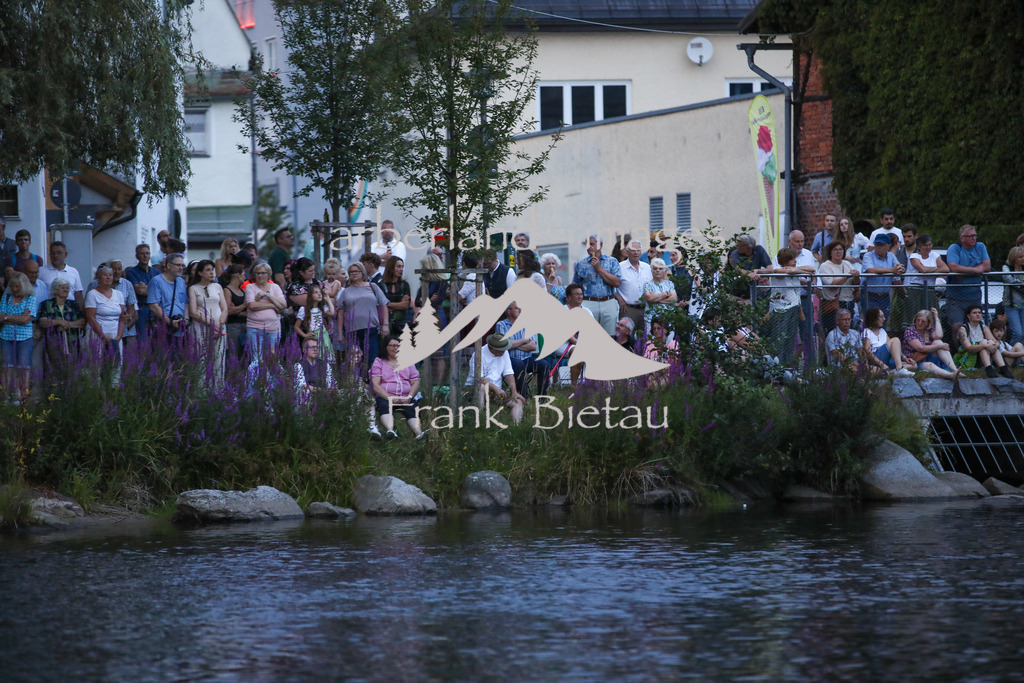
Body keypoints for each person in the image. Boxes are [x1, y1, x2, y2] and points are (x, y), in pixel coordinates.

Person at [772, 231, 817, 363]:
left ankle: (809, 367)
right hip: (784, 305)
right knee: (784, 336)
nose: (800, 244)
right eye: (797, 242)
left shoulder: (807, 254)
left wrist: (796, 269)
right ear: (790, 242)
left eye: (802, 241)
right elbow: (781, 271)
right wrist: (798, 271)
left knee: (806, 334)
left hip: (802, 300)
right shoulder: (779, 259)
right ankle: (780, 365)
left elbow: (811, 270)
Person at [369, 335, 424, 439]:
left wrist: (409, 396)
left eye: (398, 346)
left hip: (405, 396)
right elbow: (375, 385)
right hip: (386, 397)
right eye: (393, 345)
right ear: (386, 347)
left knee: (412, 408)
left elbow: (415, 382)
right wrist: (390, 398)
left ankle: (419, 433)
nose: (396, 348)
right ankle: (390, 431)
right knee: (384, 406)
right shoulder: (379, 362)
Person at [336, 261, 388, 368]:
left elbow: (384, 305)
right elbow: (340, 313)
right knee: (355, 362)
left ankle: (372, 383)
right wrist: (340, 333)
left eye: (356, 271)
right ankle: (357, 383)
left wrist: (385, 325)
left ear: (362, 272)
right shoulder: (346, 291)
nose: (354, 274)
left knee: (372, 360)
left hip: (372, 329)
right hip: (352, 331)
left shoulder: (373, 287)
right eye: (351, 272)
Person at [495, 301, 549, 398]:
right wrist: (524, 340)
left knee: (544, 364)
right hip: (509, 360)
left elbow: (533, 346)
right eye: (516, 308)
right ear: (509, 311)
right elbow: (503, 344)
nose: (520, 310)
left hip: (527, 359)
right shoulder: (501, 325)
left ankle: (542, 397)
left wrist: (511, 343)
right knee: (518, 364)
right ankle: (524, 397)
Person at [188, 260, 228, 383]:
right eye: (208, 270)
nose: (211, 272)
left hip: (219, 326)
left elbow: (225, 308)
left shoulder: (217, 286)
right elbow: (193, 312)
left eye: (212, 269)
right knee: (201, 360)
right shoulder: (193, 288)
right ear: (200, 273)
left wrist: (219, 325)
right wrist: (212, 323)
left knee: (219, 359)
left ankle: (218, 391)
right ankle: (201, 393)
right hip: (201, 327)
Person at [572, 234, 622, 334]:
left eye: (591, 244)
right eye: (586, 244)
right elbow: (576, 285)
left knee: (610, 337)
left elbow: (617, 283)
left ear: (600, 245)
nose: (588, 247)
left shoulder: (612, 261)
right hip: (589, 302)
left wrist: (599, 268)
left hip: (608, 302)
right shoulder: (581, 264)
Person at [945, 224, 990, 331]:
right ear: (962, 238)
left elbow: (987, 266)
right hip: (956, 297)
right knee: (957, 326)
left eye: (975, 235)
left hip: (974, 296)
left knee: (976, 325)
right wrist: (975, 270)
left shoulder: (980, 246)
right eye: (970, 236)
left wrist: (964, 272)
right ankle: (959, 348)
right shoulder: (955, 248)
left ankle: (975, 347)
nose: (973, 238)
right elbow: (953, 267)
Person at [84, 264, 126, 378]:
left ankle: (114, 390)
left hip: (114, 333)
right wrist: (103, 336)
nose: (108, 277)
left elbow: (123, 317)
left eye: (110, 275)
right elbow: (91, 317)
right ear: (98, 277)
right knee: (96, 364)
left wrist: (118, 337)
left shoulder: (118, 294)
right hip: (97, 333)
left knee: (116, 364)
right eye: (105, 275)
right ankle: (96, 391)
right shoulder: (92, 294)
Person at [473, 333, 525, 424]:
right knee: (481, 387)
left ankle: (515, 427)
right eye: (501, 350)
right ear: (493, 349)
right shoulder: (479, 354)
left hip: (497, 391)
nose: (504, 351)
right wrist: (496, 388)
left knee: (518, 401)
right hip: (477, 389)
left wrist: (514, 392)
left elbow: (508, 373)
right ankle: (479, 419)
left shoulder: (504, 353)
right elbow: (479, 378)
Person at [0, 271, 36, 401]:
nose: (15, 289)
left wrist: (7, 317)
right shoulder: (7, 296)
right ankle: (5, 398)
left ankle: (22, 399)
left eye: (18, 286)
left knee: (23, 369)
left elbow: (26, 320)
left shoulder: (30, 297)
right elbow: (0, 317)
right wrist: (17, 318)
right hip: (6, 337)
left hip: (24, 339)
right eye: (13, 286)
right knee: (6, 368)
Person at [765, 247, 802, 367]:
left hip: (794, 307)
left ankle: (786, 368)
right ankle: (776, 368)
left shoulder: (795, 270)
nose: (795, 261)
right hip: (781, 309)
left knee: (790, 340)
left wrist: (795, 269)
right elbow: (784, 273)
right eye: (792, 260)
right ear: (785, 261)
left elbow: (811, 269)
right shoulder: (777, 271)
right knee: (779, 339)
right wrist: (792, 270)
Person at [37, 277, 85, 369]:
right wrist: (59, 322)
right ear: (55, 289)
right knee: (54, 368)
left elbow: (82, 322)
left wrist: (68, 324)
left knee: (72, 367)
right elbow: (42, 321)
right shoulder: (46, 304)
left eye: (67, 287)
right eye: (62, 287)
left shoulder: (73, 304)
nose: (65, 289)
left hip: (72, 341)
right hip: (53, 342)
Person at [903, 308, 961, 380]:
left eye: (923, 321)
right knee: (938, 348)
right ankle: (951, 375)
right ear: (915, 320)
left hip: (928, 357)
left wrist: (936, 317)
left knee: (938, 341)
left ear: (928, 323)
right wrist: (940, 346)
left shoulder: (929, 330)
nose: (920, 323)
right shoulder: (910, 330)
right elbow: (920, 348)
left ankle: (954, 369)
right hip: (916, 361)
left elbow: (939, 336)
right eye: (918, 320)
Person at [954, 304, 1010, 378]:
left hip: (985, 356)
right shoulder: (963, 329)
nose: (978, 314)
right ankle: (989, 369)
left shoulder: (984, 327)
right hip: (970, 358)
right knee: (984, 343)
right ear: (968, 316)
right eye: (974, 313)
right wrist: (984, 345)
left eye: (979, 313)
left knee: (990, 343)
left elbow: (996, 343)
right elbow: (968, 348)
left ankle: (1003, 368)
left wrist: (992, 346)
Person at [244, 262, 286, 359]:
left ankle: (271, 375)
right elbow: (252, 305)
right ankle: (257, 375)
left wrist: (268, 295)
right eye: (257, 273)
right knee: (256, 358)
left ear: (268, 274)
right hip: (255, 328)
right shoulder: (250, 287)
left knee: (272, 358)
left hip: (273, 329)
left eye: (263, 273)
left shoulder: (275, 287)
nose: (260, 275)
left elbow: (283, 305)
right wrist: (272, 305)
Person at [816, 242, 860, 334]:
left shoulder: (847, 264)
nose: (838, 252)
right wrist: (846, 276)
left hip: (848, 302)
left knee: (848, 331)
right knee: (833, 332)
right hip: (832, 304)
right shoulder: (825, 266)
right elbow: (832, 285)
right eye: (835, 250)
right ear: (830, 252)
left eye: (840, 249)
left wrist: (856, 277)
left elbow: (855, 284)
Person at [861, 306, 915, 376]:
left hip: (885, 360)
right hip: (876, 361)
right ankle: (899, 369)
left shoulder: (882, 331)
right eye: (881, 317)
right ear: (873, 318)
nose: (884, 319)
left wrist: (905, 358)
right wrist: (881, 363)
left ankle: (889, 373)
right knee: (895, 339)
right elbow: (867, 351)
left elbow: (895, 347)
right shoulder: (866, 332)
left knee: (913, 365)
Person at [861, 234, 903, 321]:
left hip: (884, 297)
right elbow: (870, 270)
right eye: (877, 244)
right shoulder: (868, 255)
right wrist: (892, 270)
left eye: (881, 245)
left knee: (883, 321)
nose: (878, 247)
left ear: (888, 246)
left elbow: (899, 267)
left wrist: (901, 269)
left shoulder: (891, 256)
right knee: (870, 322)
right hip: (869, 295)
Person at [906, 233, 949, 316]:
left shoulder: (935, 255)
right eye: (925, 245)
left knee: (931, 315)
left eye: (930, 245)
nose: (928, 247)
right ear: (919, 247)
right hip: (916, 290)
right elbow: (923, 270)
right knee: (916, 315)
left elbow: (946, 269)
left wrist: (928, 269)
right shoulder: (914, 256)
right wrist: (937, 269)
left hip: (930, 289)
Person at [148, 252, 189, 339]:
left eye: (182, 265)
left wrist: (186, 320)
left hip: (180, 329)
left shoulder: (181, 282)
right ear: (169, 265)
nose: (181, 268)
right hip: (164, 328)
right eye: (178, 265)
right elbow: (153, 306)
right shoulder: (156, 281)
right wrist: (170, 322)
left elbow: (185, 303)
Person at [615, 239, 652, 330]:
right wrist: (620, 299)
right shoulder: (620, 267)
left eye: (638, 250)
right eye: (633, 250)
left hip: (645, 309)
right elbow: (612, 286)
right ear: (627, 252)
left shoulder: (647, 267)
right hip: (628, 309)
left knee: (644, 338)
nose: (636, 253)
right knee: (625, 336)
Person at [125, 243, 159, 342]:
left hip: (155, 310)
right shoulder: (131, 272)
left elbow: (161, 291)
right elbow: (139, 291)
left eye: (147, 253)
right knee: (142, 340)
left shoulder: (157, 272)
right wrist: (152, 288)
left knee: (158, 340)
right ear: (137, 256)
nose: (145, 256)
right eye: (142, 253)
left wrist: (146, 288)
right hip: (141, 309)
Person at [38, 241, 85, 309]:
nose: (56, 256)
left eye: (59, 253)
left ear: (65, 254)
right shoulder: (41, 271)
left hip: (70, 311)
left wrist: (80, 313)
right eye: (53, 253)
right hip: (49, 311)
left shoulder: (73, 272)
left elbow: (78, 295)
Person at [295, 283, 334, 356]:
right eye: (316, 292)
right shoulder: (304, 309)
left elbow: (332, 312)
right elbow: (296, 326)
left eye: (320, 292)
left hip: (323, 335)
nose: (319, 294)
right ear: (310, 296)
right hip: (313, 336)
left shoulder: (322, 308)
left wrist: (328, 300)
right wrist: (305, 335)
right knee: (315, 355)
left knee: (325, 355)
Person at [727, 233, 770, 300]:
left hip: (756, 291)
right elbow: (738, 269)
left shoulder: (759, 249)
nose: (737, 247)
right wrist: (749, 274)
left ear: (747, 247)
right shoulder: (735, 254)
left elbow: (770, 269)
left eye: (738, 246)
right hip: (739, 292)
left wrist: (758, 271)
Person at [640, 258, 676, 334]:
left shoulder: (669, 284)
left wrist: (656, 299)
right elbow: (649, 298)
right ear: (651, 270)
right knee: (652, 343)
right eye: (655, 268)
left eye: (660, 268)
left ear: (664, 270)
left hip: (668, 320)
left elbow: (674, 299)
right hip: (651, 321)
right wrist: (664, 295)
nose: (658, 270)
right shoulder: (647, 284)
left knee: (669, 343)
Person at [220, 264, 248, 359]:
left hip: (245, 324)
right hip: (233, 325)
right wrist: (243, 306)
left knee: (244, 355)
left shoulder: (243, 291)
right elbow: (228, 310)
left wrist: (238, 310)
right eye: (243, 274)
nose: (245, 277)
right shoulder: (227, 290)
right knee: (234, 354)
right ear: (237, 275)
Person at [380, 256, 411, 337]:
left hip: (401, 323)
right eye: (398, 266)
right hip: (385, 322)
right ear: (391, 268)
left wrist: (388, 304)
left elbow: (405, 305)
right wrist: (399, 304)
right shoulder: (382, 285)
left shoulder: (404, 285)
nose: (401, 269)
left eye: (402, 266)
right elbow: (380, 305)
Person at [1001, 245, 1024, 345]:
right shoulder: (1006, 268)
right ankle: (1011, 354)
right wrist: (1020, 282)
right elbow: (1008, 279)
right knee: (1017, 332)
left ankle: (1020, 358)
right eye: (1020, 257)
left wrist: (1019, 281)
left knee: (1023, 334)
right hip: (1011, 305)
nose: (1023, 259)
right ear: (1014, 258)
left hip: (1023, 305)